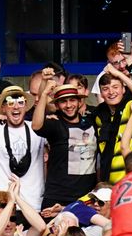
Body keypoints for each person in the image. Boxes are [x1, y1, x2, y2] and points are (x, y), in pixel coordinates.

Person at [33, 81, 98, 210]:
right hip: (58, 196)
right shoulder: (55, 123)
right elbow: (36, 125)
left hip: (86, 197)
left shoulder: (92, 122)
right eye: (63, 101)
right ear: (57, 105)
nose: (69, 105)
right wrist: (45, 93)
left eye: (72, 100)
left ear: (80, 102)